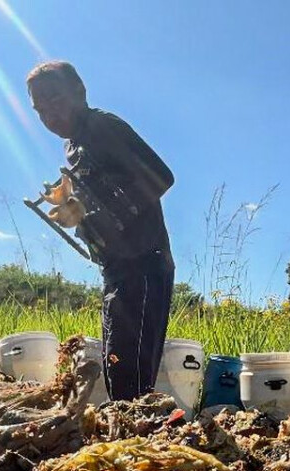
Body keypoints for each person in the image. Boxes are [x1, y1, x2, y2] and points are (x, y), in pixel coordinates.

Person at [26, 60, 175, 401]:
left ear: (80, 92)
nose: (50, 114)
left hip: (144, 263)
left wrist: (96, 210)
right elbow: (99, 194)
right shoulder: (74, 144)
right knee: (118, 367)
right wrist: (74, 207)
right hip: (116, 268)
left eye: (56, 100)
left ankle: (135, 444)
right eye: (40, 109)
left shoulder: (102, 127)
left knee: (131, 379)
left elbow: (160, 176)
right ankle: (128, 439)